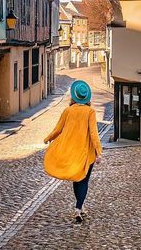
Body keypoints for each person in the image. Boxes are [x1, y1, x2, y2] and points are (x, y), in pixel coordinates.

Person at [43, 80, 102, 224]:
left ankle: (79, 207)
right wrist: (98, 152)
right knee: (84, 180)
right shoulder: (90, 112)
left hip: (70, 151)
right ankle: (78, 208)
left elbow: (58, 129)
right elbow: (94, 134)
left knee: (77, 179)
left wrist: (48, 138)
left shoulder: (68, 111)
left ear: (73, 96)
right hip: (85, 153)